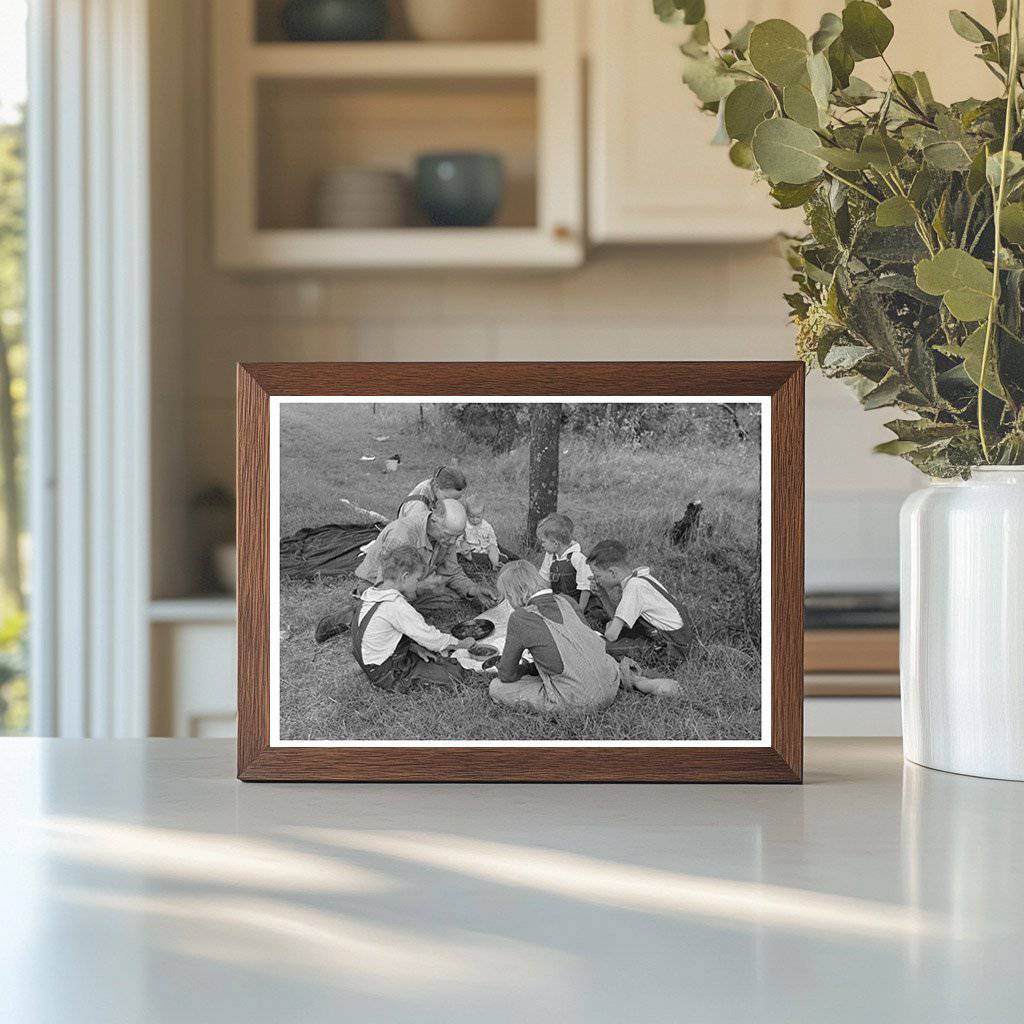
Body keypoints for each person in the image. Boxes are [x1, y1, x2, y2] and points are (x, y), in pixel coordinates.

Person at [315, 499, 495, 643]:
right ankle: (355, 612)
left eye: (457, 537)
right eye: (449, 535)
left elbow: (452, 572)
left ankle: (402, 613)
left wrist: (474, 590)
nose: (452, 542)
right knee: (396, 613)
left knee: (451, 599)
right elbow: (385, 585)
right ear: (434, 520)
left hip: (411, 582)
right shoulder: (402, 534)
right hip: (378, 587)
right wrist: (422, 586)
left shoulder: (446, 537)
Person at [488, 560, 620, 714]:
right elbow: (581, 647)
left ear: (512, 594)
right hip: (611, 683)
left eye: (507, 597)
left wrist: (525, 669)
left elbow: (507, 675)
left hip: (578, 702)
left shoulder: (520, 618)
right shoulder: (567, 600)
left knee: (497, 687)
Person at [351, 545, 475, 692]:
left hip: (373, 661)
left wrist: (413, 647)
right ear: (405, 577)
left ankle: (409, 658)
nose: (417, 585)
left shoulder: (372, 594)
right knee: (454, 675)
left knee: (432, 658)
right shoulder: (396, 605)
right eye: (417, 579)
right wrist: (461, 644)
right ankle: (400, 678)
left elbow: (384, 635)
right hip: (386, 672)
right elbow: (431, 637)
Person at [586, 540, 695, 660]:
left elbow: (611, 635)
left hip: (669, 650)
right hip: (672, 640)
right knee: (615, 634)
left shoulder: (635, 587)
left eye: (597, 576)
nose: (596, 580)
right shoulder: (639, 578)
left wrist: (609, 629)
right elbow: (618, 619)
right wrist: (603, 595)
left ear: (612, 572)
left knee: (598, 646)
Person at [536, 512, 594, 612]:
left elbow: (585, 587)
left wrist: (580, 610)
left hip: (578, 605)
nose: (542, 545)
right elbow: (543, 581)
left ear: (555, 543)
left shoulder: (577, 558)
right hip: (560, 604)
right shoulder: (551, 557)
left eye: (543, 541)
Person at [397, 466, 467, 521]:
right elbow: (414, 533)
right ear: (436, 486)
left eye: (456, 499)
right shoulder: (418, 506)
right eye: (447, 498)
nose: (452, 503)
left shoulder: (436, 485)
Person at [459, 495, 501, 570]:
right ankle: (470, 559)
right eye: (471, 516)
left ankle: (495, 564)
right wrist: (462, 544)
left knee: (493, 548)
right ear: (467, 513)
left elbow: (492, 538)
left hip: (484, 548)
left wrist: (492, 545)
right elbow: (459, 538)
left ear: (483, 513)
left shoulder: (487, 526)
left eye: (478, 517)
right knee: (464, 545)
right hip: (471, 548)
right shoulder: (465, 525)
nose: (475, 520)